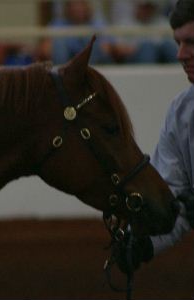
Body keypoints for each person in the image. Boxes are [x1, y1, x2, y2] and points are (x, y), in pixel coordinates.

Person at [116, 0, 194, 273]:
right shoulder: (180, 113)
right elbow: (178, 203)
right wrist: (144, 245)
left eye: (191, 42)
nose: (181, 54)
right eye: (178, 43)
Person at [109, 0, 178, 64]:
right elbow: (118, 48)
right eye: (144, 7)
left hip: (162, 58)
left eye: (149, 7)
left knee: (166, 46)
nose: (146, 10)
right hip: (134, 59)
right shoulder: (125, 24)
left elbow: (174, 45)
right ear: (137, 7)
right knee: (147, 48)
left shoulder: (163, 22)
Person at [49, 0, 114, 64]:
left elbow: (109, 47)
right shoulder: (59, 23)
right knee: (59, 43)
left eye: (80, 4)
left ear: (87, 6)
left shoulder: (97, 23)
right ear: (67, 7)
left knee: (91, 39)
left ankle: (88, 71)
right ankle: (63, 72)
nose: (77, 8)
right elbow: (45, 48)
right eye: (74, 5)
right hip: (66, 64)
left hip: (95, 64)